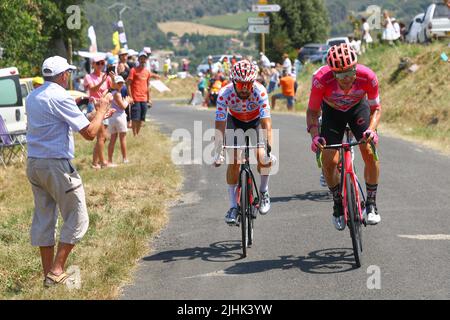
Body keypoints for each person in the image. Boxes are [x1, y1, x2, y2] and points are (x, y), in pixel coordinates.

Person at [25, 56, 113, 287]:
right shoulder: (62, 95)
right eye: (68, 73)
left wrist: (96, 117)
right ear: (63, 75)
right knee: (77, 216)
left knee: (45, 219)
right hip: (56, 164)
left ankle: (49, 277)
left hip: (35, 163)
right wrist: (102, 110)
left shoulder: (33, 96)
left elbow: (64, 123)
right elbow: (90, 134)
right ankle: (57, 269)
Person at [306, 43, 381, 231]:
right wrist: (315, 136)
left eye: (350, 72)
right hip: (332, 113)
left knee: (369, 151)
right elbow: (312, 112)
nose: (346, 79)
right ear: (332, 73)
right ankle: (338, 203)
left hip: (358, 110)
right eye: (340, 75)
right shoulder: (320, 80)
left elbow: (376, 109)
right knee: (330, 162)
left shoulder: (368, 76)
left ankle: (371, 203)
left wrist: (371, 130)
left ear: (356, 67)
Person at [213, 60, 276, 225]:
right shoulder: (224, 93)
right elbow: (220, 124)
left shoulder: (260, 91)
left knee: (262, 157)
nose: (244, 89)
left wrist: (269, 146)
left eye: (248, 85)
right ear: (233, 82)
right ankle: (233, 206)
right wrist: (218, 150)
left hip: (255, 122)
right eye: (240, 85)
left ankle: (263, 192)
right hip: (235, 121)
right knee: (234, 160)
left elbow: (266, 122)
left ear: (253, 82)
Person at [84, 56, 112, 169]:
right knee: (101, 136)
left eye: (102, 63)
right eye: (98, 63)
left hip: (104, 106)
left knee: (103, 137)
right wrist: (102, 81)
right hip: (94, 106)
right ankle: (102, 162)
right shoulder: (88, 76)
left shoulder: (106, 76)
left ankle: (95, 162)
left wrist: (114, 78)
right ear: (93, 65)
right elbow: (93, 90)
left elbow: (113, 87)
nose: (100, 65)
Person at [127, 51, 160, 136]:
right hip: (135, 98)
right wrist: (130, 97)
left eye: (144, 59)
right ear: (138, 59)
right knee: (135, 118)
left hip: (144, 99)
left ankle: (137, 134)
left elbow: (148, 86)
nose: (142, 60)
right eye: (141, 58)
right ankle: (135, 135)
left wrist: (149, 99)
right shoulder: (133, 70)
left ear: (146, 60)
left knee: (141, 119)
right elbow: (128, 84)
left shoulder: (147, 72)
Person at [107, 76, 132, 166]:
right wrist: (127, 101)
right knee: (122, 138)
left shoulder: (112, 93)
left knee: (113, 139)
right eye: (119, 83)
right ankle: (125, 158)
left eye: (121, 83)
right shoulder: (117, 93)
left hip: (112, 117)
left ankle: (110, 160)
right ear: (115, 84)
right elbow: (122, 106)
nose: (121, 85)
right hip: (119, 116)